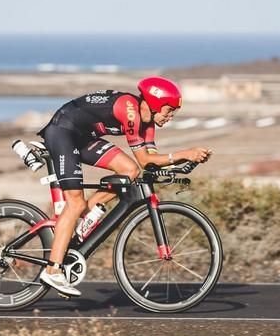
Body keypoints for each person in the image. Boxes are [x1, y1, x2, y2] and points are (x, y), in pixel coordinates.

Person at [37, 76, 212, 296]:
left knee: (130, 171)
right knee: (74, 201)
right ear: (155, 103)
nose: (170, 116)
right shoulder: (130, 109)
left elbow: (151, 160)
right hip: (63, 131)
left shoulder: (148, 123)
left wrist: (183, 162)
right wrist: (184, 154)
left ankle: (84, 218)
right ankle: (52, 270)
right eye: (168, 110)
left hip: (83, 137)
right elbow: (145, 159)